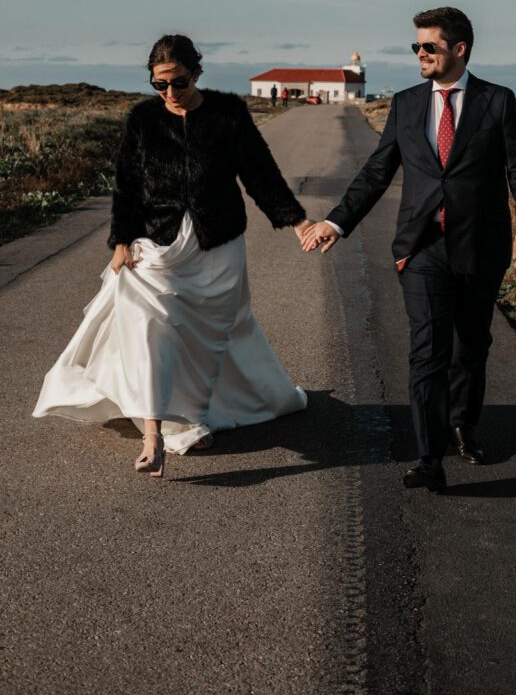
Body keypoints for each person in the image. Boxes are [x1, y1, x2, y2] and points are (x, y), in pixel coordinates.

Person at [34, 34, 311, 477]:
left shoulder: (228, 113)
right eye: (158, 84)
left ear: (196, 73)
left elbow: (259, 174)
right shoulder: (143, 119)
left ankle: (195, 412)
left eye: (177, 82)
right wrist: (121, 241)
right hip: (154, 244)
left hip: (217, 244)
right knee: (147, 330)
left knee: (210, 339)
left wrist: (298, 222)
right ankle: (154, 435)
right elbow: (127, 184)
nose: (168, 93)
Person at [302, 7, 516, 491]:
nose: (419, 54)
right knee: (426, 350)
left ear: (459, 49)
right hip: (422, 247)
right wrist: (336, 221)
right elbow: (377, 171)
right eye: (416, 47)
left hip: (481, 245)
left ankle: (462, 425)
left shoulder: (497, 102)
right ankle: (429, 457)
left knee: (470, 347)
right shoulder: (408, 104)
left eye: (428, 46)